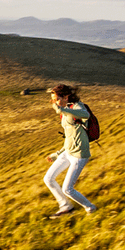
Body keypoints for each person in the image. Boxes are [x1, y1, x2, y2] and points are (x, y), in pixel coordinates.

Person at [43, 84, 98, 218]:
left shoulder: (78, 106)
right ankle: (66, 207)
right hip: (68, 152)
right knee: (48, 178)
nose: (55, 103)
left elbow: (85, 115)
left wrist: (62, 110)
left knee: (67, 189)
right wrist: (57, 154)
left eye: (56, 99)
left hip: (79, 155)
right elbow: (69, 136)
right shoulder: (66, 109)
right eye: (53, 100)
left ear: (66, 97)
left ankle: (91, 208)